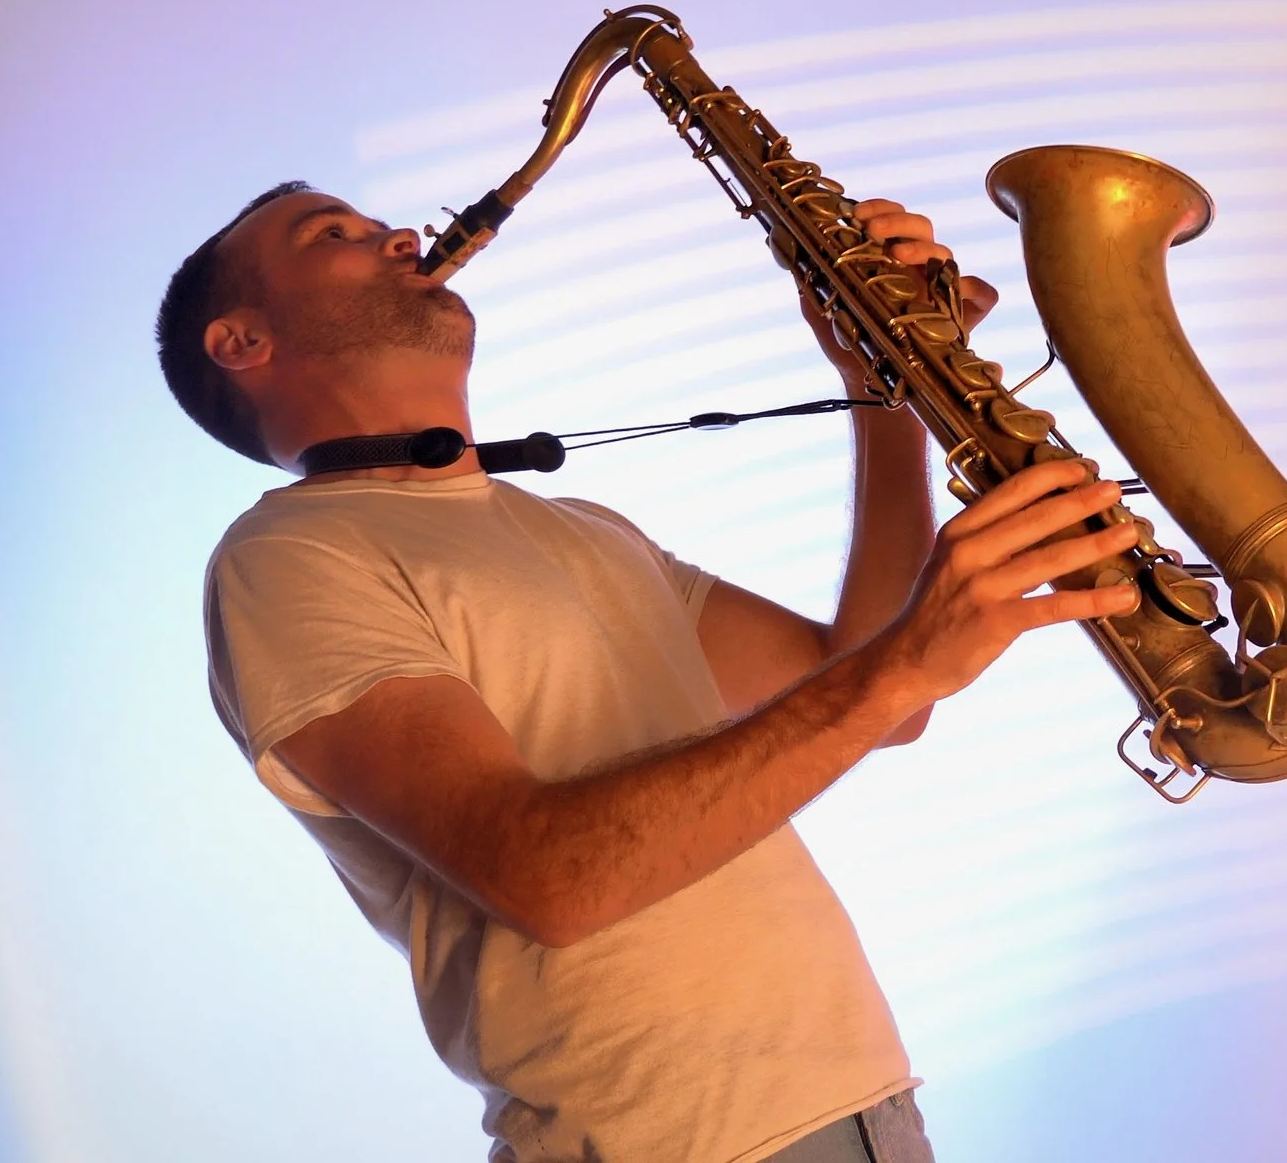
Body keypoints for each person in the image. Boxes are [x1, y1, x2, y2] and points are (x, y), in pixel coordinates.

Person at [155, 181, 1143, 1163]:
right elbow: (546, 878)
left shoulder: (586, 530)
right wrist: (896, 668)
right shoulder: (288, 555)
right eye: (333, 234)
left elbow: (865, 684)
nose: (401, 234)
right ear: (241, 341)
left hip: (866, 1113)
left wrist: (884, 387)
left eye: (377, 222)